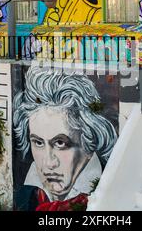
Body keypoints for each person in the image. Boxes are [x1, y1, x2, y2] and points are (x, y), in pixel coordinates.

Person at [13, 66, 118, 211]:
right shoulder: (28, 192)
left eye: (60, 143)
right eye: (38, 142)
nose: (49, 163)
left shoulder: (104, 193)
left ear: (89, 141)